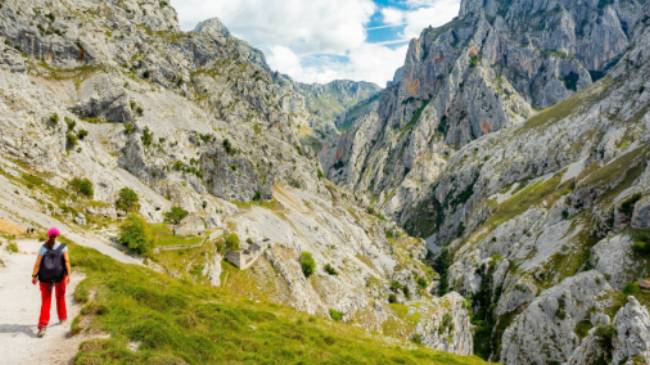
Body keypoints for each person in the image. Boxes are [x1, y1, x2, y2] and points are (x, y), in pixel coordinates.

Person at [31, 227, 71, 338]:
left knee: (46, 301)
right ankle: (62, 318)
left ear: (48, 235)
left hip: (45, 278)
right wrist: (68, 275)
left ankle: (43, 326)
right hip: (60, 276)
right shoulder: (63, 247)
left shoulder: (43, 247)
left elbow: (37, 264)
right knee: (60, 296)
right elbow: (67, 262)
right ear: (58, 235)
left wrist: (34, 276)